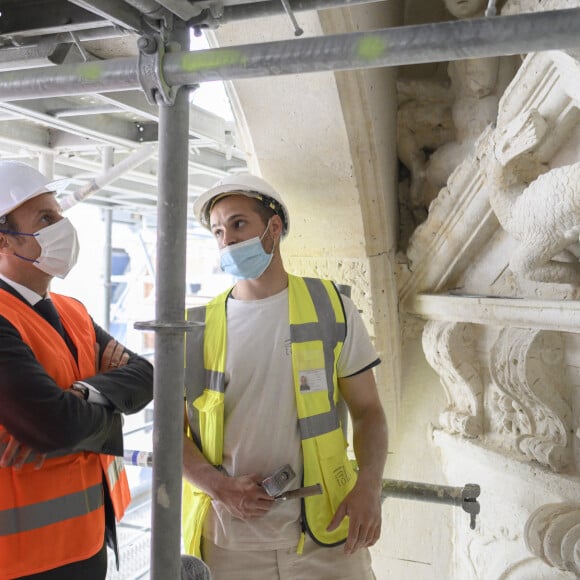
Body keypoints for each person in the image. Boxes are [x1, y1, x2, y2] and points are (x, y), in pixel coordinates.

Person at [182, 173, 388, 579]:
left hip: (327, 533)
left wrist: (369, 486)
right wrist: (218, 486)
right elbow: (168, 435)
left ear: (273, 228)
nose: (227, 240)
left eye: (239, 224)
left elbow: (369, 412)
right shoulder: (194, 329)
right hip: (230, 543)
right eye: (219, 231)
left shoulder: (332, 307)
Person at [0, 161, 154, 579]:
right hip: (22, 558)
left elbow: (143, 376)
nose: (62, 228)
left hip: (89, 538)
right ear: (3, 241)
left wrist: (81, 396)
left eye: (60, 216)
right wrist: (101, 410)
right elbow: (50, 424)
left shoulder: (73, 310)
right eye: (46, 219)